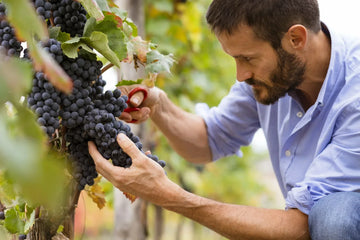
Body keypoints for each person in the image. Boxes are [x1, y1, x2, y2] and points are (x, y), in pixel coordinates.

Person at [88, 0, 360, 239]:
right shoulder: (269, 77)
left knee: (333, 217)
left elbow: (298, 228)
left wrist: (170, 196)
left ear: (296, 39)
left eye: (247, 58)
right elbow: (209, 140)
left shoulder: (355, 92)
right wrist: (159, 106)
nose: (240, 74)